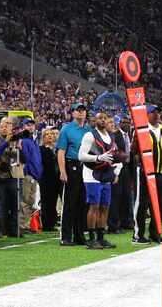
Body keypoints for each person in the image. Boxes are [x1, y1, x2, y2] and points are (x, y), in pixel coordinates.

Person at [78, 112, 122, 249]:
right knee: (94, 206)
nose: (103, 120)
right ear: (94, 121)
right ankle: (91, 239)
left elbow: (112, 156)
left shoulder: (110, 136)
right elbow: (81, 156)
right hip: (92, 174)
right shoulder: (90, 135)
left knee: (105, 206)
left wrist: (116, 168)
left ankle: (101, 237)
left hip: (105, 174)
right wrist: (98, 158)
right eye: (100, 118)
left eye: (105, 118)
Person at [132, 105, 162, 244]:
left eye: (158, 112)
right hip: (145, 172)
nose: (157, 115)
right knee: (142, 203)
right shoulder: (141, 130)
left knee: (160, 203)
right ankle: (138, 234)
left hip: (160, 172)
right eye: (153, 112)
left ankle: (155, 233)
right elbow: (134, 151)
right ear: (146, 114)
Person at [56, 103, 91, 246]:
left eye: (83, 110)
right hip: (71, 165)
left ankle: (79, 235)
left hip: (85, 167)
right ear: (73, 113)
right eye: (78, 110)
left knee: (82, 202)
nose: (81, 113)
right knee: (69, 203)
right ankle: (65, 236)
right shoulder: (66, 129)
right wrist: (63, 171)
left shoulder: (88, 130)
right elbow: (61, 151)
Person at [0, 118, 24, 238]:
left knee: (14, 204)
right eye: (2, 125)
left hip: (13, 175)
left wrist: (20, 147)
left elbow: (24, 158)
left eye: (7, 125)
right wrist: (6, 142)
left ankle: (13, 230)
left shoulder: (16, 141)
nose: (4, 127)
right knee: (0, 203)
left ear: (11, 128)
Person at [108, 116, 133, 233]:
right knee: (116, 196)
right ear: (120, 123)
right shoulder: (115, 135)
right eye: (124, 122)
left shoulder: (131, 135)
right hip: (117, 167)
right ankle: (114, 224)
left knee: (126, 195)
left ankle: (125, 222)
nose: (126, 124)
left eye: (128, 122)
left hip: (127, 167)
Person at [19, 118, 42, 234]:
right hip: (28, 175)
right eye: (28, 125)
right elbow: (25, 159)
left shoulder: (34, 140)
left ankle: (25, 224)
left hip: (34, 175)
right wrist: (30, 173)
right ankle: (21, 225)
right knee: (25, 200)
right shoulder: (24, 141)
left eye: (32, 125)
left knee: (30, 200)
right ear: (23, 127)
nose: (30, 127)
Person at [39, 128, 61, 231]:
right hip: (46, 179)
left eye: (51, 134)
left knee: (54, 202)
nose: (50, 136)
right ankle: (46, 224)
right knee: (46, 202)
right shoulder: (41, 149)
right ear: (43, 138)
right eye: (47, 134)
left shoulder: (57, 149)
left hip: (57, 179)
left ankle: (52, 223)